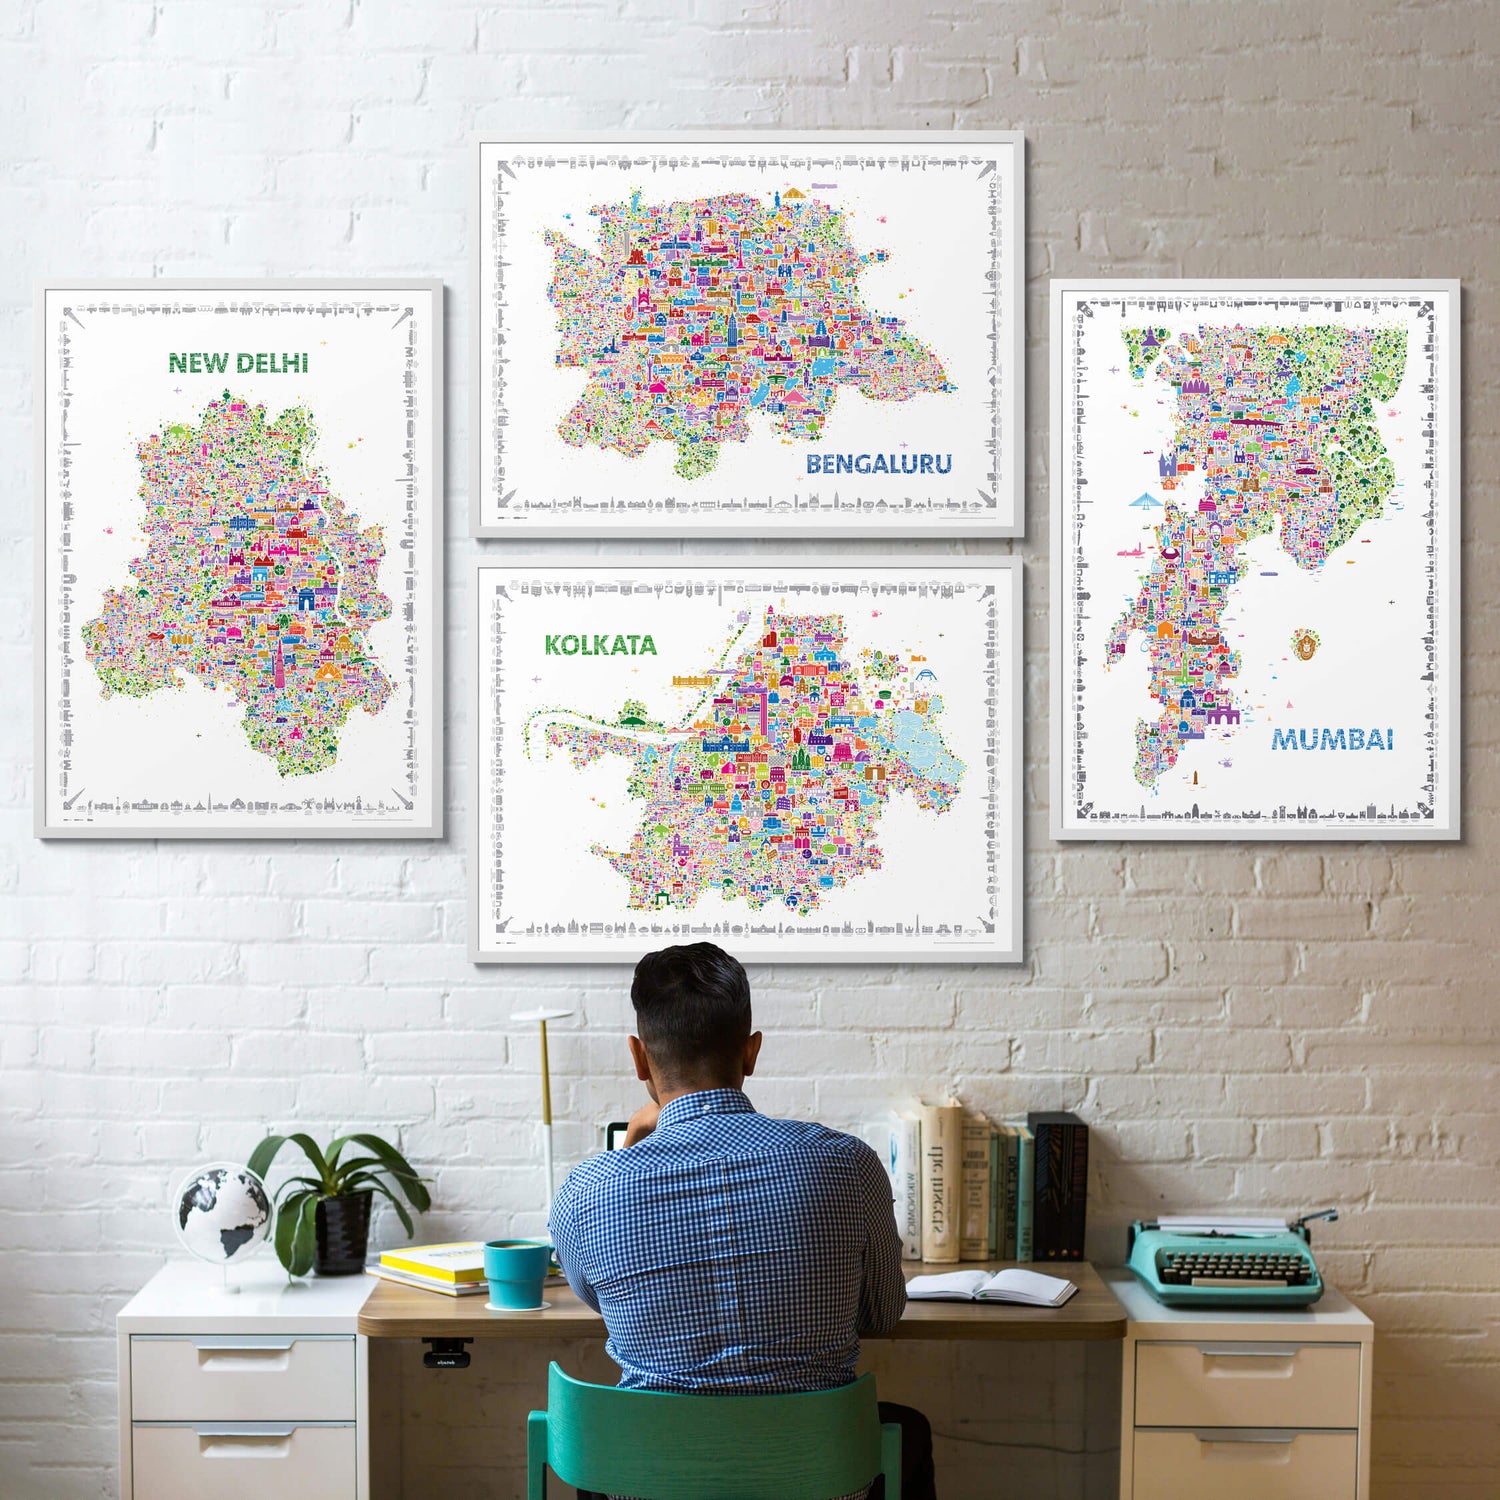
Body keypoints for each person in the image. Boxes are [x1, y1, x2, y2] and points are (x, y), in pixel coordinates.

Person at [550, 942, 936, 1500]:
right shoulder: (847, 1164)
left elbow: (598, 1303)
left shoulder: (587, 1193)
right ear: (751, 1053)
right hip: (815, 1480)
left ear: (638, 1059)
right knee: (907, 1428)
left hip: (653, 1479)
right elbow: (881, 1313)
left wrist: (624, 1154)